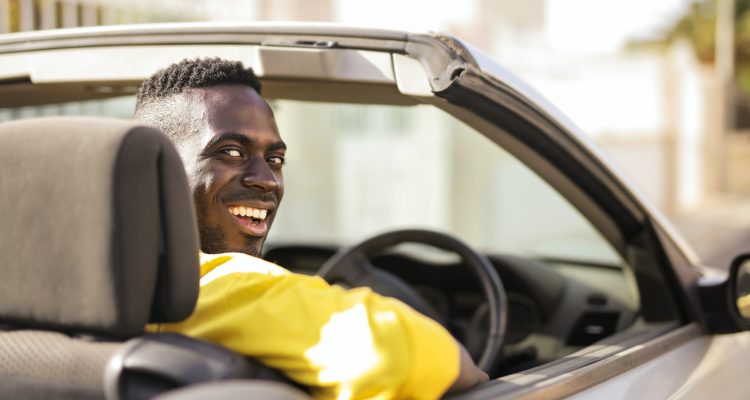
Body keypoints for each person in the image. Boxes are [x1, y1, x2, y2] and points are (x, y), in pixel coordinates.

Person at [135, 57, 488, 399]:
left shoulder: (107, 286)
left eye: (275, 160)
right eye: (229, 152)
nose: (267, 181)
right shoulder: (214, 284)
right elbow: (401, 357)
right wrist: (479, 373)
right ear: (157, 171)